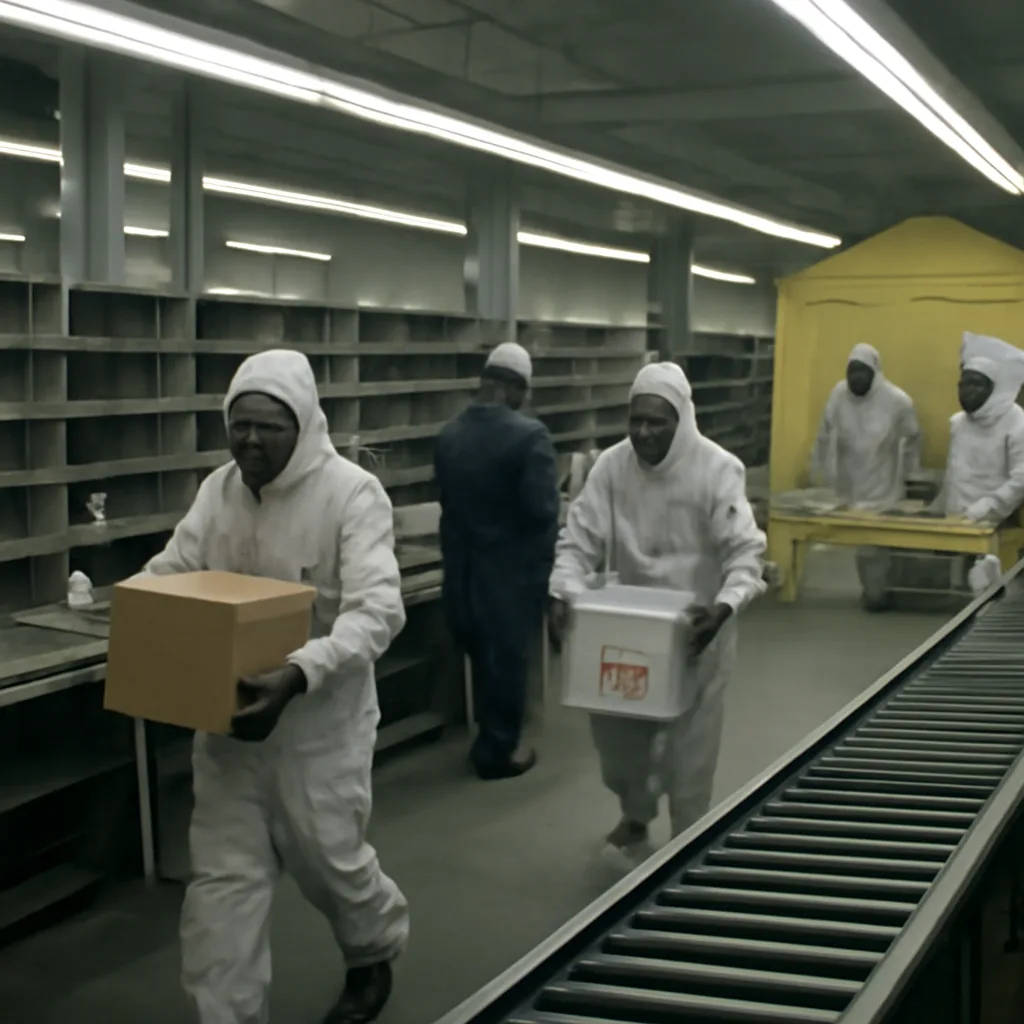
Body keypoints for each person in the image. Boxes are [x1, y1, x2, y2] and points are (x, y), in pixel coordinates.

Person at [139, 350, 409, 1024]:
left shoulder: (351, 494)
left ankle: (372, 947)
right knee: (221, 885)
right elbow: (176, 566)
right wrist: (135, 606)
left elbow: (379, 612)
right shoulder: (218, 491)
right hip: (229, 728)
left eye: (270, 427)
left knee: (330, 864)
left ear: (306, 425)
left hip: (322, 732)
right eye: (240, 425)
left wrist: (299, 673)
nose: (251, 441)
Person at [548, 362, 766, 863]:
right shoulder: (611, 467)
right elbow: (578, 540)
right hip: (629, 632)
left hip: (697, 635)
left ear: (682, 420)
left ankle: (689, 843)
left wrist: (724, 607)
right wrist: (562, 590)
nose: (643, 432)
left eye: (657, 421)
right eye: (636, 420)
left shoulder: (716, 469)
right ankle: (635, 813)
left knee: (690, 754)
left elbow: (745, 555)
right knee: (620, 748)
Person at [435, 341, 560, 780]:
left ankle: (488, 736)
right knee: (507, 662)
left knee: (481, 658)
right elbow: (542, 512)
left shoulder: (448, 435)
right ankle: (498, 753)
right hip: (508, 575)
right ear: (517, 389)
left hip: (461, 573)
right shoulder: (530, 436)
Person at [812, 343, 921, 610]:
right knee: (857, 542)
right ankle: (874, 591)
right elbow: (824, 434)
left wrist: (909, 476)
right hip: (848, 479)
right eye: (852, 371)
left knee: (877, 544)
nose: (856, 378)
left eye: (863, 371)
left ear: (875, 372)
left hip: (885, 482)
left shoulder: (897, 401)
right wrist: (818, 471)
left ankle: (878, 594)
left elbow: (913, 438)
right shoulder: (838, 395)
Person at [938, 352, 1024, 523]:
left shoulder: (1016, 421)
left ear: (993, 388)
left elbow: (1021, 478)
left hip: (998, 522)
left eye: (976, 384)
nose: (967, 390)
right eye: (963, 385)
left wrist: (987, 507)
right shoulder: (958, 423)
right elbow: (954, 477)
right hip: (955, 521)